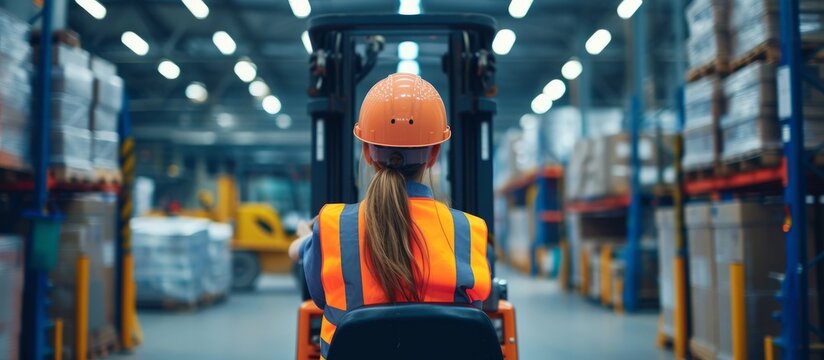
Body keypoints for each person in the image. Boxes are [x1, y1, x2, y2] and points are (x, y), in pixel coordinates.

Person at [296, 73, 492, 359]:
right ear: (434, 154)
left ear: (367, 152)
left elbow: (319, 292)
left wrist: (304, 242)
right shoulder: (470, 230)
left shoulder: (331, 226)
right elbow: (481, 301)